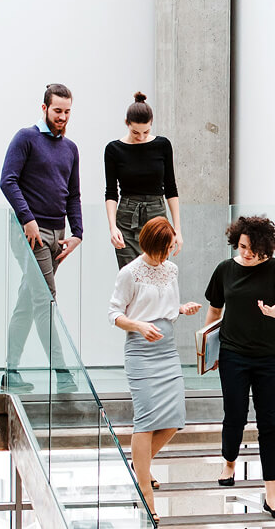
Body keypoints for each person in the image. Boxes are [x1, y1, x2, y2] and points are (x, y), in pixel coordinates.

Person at [204, 216, 275, 520]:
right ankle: (229, 462)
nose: (246, 253)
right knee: (235, 415)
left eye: (253, 249)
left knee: (269, 424)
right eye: (242, 246)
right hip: (232, 354)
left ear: (265, 249)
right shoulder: (224, 270)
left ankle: (271, 493)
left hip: (269, 357)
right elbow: (215, 309)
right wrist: (207, 351)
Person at [108, 217, 201, 524]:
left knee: (174, 419)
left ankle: (140, 468)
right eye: (165, 248)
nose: (169, 254)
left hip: (167, 349)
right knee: (146, 420)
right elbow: (114, 313)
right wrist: (138, 325)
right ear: (152, 245)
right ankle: (146, 493)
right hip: (140, 351)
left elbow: (168, 308)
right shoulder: (130, 273)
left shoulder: (170, 270)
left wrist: (182, 309)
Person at [0, 83, 82, 393]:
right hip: (28, 234)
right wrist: (28, 219)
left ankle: (11, 370)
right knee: (45, 298)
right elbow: (7, 181)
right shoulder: (26, 138)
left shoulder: (70, 148)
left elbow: (73, 194)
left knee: (28, 301)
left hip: (57, 234)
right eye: (57, 110)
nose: (62, 117)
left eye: (67, 111)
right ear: (44, 108)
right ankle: (63, 373)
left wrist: (78, 233)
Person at [104, 92, 183, 269]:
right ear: (127, 123)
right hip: (126, 217)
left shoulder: (163, 145)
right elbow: (111, 192)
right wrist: (112, 227)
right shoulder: (113, 149)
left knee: (157, 275)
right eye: (135, 132)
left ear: (151, 124)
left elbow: (171, 188)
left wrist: (177, 228)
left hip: (157, 215)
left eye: (146, 132)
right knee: (129, 275)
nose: (140, 137)